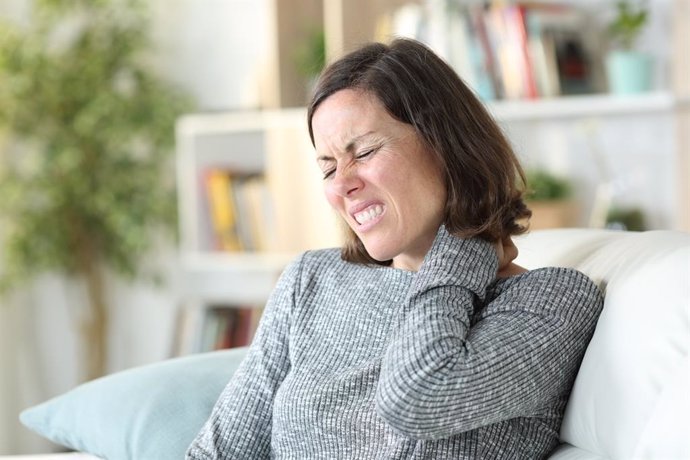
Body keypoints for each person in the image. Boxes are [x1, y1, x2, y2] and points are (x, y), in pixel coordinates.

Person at [187, 38, 603, 459]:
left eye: (364, 152)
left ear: (446, 145)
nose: (341, 184)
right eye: (328, 167)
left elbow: (416, 398)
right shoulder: (311, 280)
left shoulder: (551, 302)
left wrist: (462, 249)